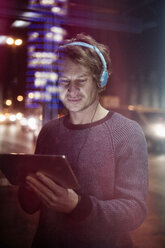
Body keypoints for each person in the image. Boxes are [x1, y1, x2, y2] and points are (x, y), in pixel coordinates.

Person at [18, 33, 148, 248]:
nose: (71, 91)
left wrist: (78, 206)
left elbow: (135, 211)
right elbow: (29, 205)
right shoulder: (49, 132)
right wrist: (32, 190)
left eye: (81, 81)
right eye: (64, 81)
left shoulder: (128, 133)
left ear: (100, 81)